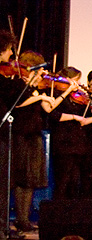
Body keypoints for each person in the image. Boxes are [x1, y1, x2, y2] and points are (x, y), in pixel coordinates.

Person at [0, 30, 45, 234]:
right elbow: (16, 105)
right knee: (15, 179)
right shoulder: (13, 82)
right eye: (9, 50)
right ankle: (10, 222)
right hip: (18, 133)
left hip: (31, 132)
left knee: (29, 179)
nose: (10, 55)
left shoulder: (22, 84)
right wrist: (32, 91)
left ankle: (20, 220)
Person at [46, 66, 92, 200]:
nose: (79, 84)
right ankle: (58, 215)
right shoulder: (56, 94)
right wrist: (73, 116)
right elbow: (53, 114)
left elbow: (84, 121)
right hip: (63, 143)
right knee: (62, 181)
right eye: (75, 80)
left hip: (77, 144)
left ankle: (70, 216)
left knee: (74, 182)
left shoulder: (78, 98)